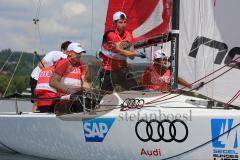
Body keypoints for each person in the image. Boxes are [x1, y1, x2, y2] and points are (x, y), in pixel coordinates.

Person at [99, 11, 144, 92]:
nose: (123, 24)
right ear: (114, 23)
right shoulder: (110, 35)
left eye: (124, 22)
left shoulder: (129, 35)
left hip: (123, 70)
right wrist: (125, 49)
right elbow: (123, 50)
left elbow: (132, 56)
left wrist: (120, 49)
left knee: (137, 91)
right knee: (103, 96)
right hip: (109, 70)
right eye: (120, 22)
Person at [29, 41, 71, 111]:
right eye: (69, 51)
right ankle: (33, 117)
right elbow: (41, 65)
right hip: (37, 77)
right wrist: (49, 72)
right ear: (63, 50)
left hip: (49, 80)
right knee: (37, 102)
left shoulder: (68, 59)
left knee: (53, 99)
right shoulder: (54, 54)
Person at [49, 42, 90, 113]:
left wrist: (85, 83)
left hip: (77, 98)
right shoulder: (63, 63)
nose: (79, 55)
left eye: (81, 53)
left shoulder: (82, 64)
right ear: (69, 53)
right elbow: (52, 82)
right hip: (64, 98)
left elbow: (84, 80)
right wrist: (69, 91)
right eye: (77, 53)